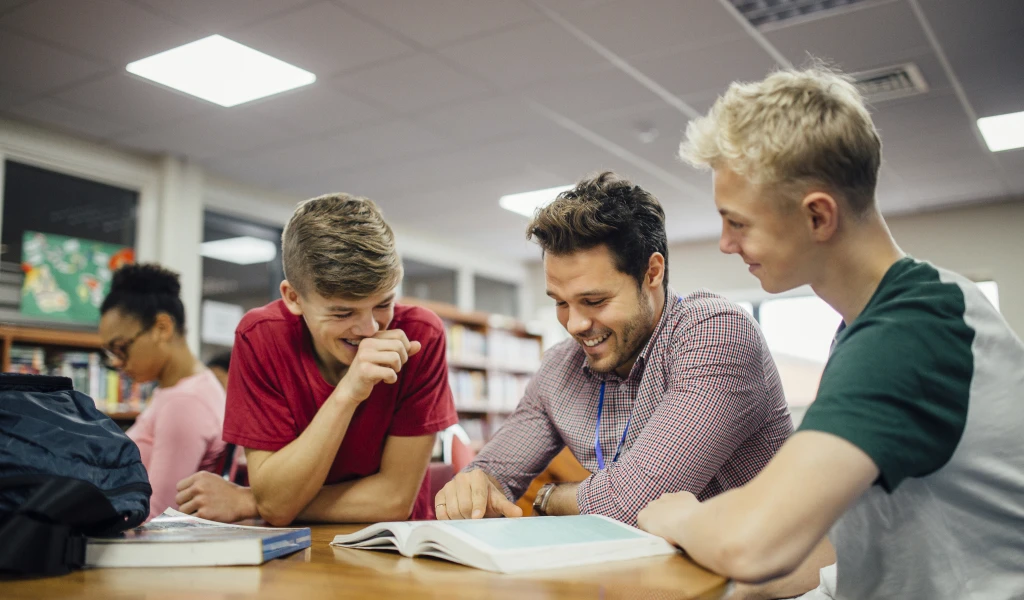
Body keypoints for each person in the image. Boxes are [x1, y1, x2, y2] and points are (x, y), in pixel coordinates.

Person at [636, 65, 1024, 600]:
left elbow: (754, 542)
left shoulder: (911, 330)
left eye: (738, 222)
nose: (726, 243)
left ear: (818, 216)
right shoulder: (875, 323)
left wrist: (679, 514)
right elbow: (850, 538)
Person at [435, 172, 792, 526]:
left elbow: (637, 503)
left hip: (753, 576)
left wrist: (551, 497)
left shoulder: (715, 331)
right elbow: (491, 473)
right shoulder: (561, 367)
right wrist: (471, 488)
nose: (574, 325)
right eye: (561, 302)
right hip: (640, 574)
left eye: (594, 300)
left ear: (651, 272)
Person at [175, 193, 458, 526]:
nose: (369, 329)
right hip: (291, 554)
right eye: (343, 312)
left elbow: (393, 500)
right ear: (293, 298)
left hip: (394, 548)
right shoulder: (260, 337)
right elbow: (277, 503)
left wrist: (252, 501)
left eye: (383, 304)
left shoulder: (420, 335)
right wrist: (349, 392)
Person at [98, 263, 227, 520]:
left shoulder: (185, 402)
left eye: (121, 348)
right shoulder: (179, 390)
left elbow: (157, 516)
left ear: (162, 328)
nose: (116, 362)